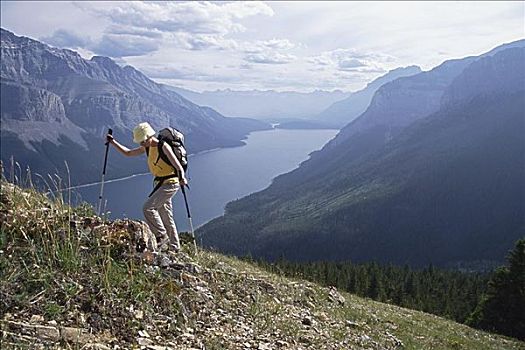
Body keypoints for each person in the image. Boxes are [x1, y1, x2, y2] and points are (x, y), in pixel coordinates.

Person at [106, 122, 188, 252]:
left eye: (143, 141)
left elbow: (177, 166)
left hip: (171, 183)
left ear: (149, 136)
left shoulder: (163, 146)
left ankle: (162, 237)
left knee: (148, 208)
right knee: (166, 216)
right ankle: (174, 247)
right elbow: (128, 153)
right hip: (160, 183)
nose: (141, 144)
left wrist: (182, 178)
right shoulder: (147, 147)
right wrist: (113, 142)